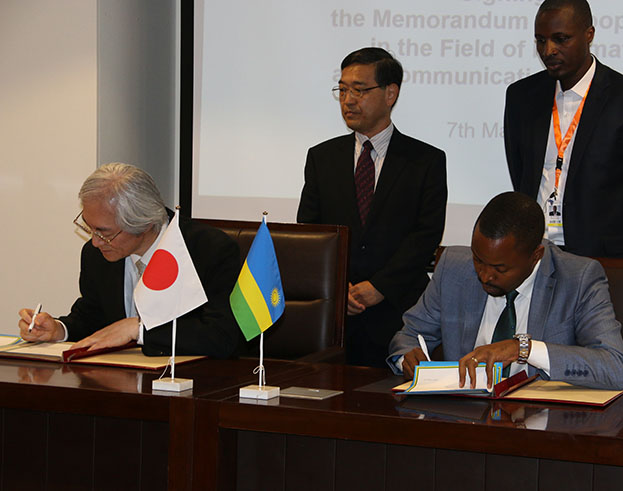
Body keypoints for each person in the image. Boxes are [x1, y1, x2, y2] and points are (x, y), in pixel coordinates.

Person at [387, 192, 623, 390]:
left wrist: (522, 349)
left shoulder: (578, 279)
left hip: (540, 427)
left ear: (536, 256)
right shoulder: (453, 267)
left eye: (499, 268)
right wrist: (407, 357)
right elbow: (409, 335)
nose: (484, 275)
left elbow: (615, 368)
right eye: (478, 260)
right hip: (463, 418)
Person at [297, 47, 448, 367]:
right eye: (342, 89)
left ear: (390, 93)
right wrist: (340, 289)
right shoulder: (322, 158)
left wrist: (379, 287)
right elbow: (311, 233)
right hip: (337, 316)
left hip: (399, 313)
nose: (348, 99)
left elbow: (426, 235)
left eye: (359, 90)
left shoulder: (425, 161)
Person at [503, 0, 623, 260]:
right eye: (540, 40)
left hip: (603, 261)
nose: (548, 50)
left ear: (589, 35)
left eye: (561, 39)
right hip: (535, 255)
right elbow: (521, 173)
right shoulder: (521, 96)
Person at [18, 163, 242, 358]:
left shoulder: (209, 250)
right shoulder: (96, 254)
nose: (95, 241)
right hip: (120, 383)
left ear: (144, 223)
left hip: (190, 386)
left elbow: (221, 335)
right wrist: (59, 329)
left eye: (104, 232)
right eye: (89, 227)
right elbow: (93, 316)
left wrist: (139, 330)